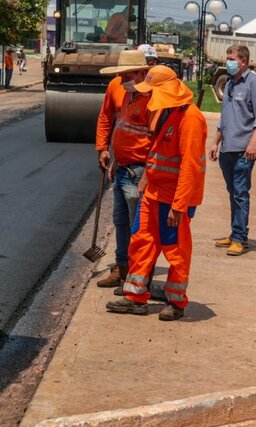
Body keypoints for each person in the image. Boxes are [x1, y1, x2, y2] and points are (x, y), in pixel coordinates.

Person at [106, 65, 207, 321]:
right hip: (153, 191)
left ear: (165, 91)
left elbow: (189, 167)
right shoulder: (167, 113)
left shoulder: (191, 119)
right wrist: (145, 184)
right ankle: (135, 297)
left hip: (173, 198)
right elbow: (157, 152)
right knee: (141, 240)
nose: (148, 96)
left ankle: (176, 301)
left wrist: (178, 205)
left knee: (175, 249)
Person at [94, 50, 152, 289]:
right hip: (122, 168)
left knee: (138, 226)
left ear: (142, 73)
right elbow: (110, 120)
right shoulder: (123, 91)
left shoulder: (152, 98)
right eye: (120, 75)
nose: (122, 79)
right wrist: (105, 149)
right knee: (120, 221)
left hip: (138, 171)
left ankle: (138, 275)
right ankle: (122, 266)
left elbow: (158, 141)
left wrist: (148, 174)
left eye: (127, 75)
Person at [208, 45, 256, 256]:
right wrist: (215, 142)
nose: (228, 61)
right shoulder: (228, 84)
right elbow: (224, 118)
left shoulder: (253, 83)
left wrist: (253, 144)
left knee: (240, 194)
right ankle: (235, 232)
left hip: (244, 150)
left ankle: (240, 238)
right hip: (227, 149)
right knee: (233, 193)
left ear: (243, 61)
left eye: (231, 58)